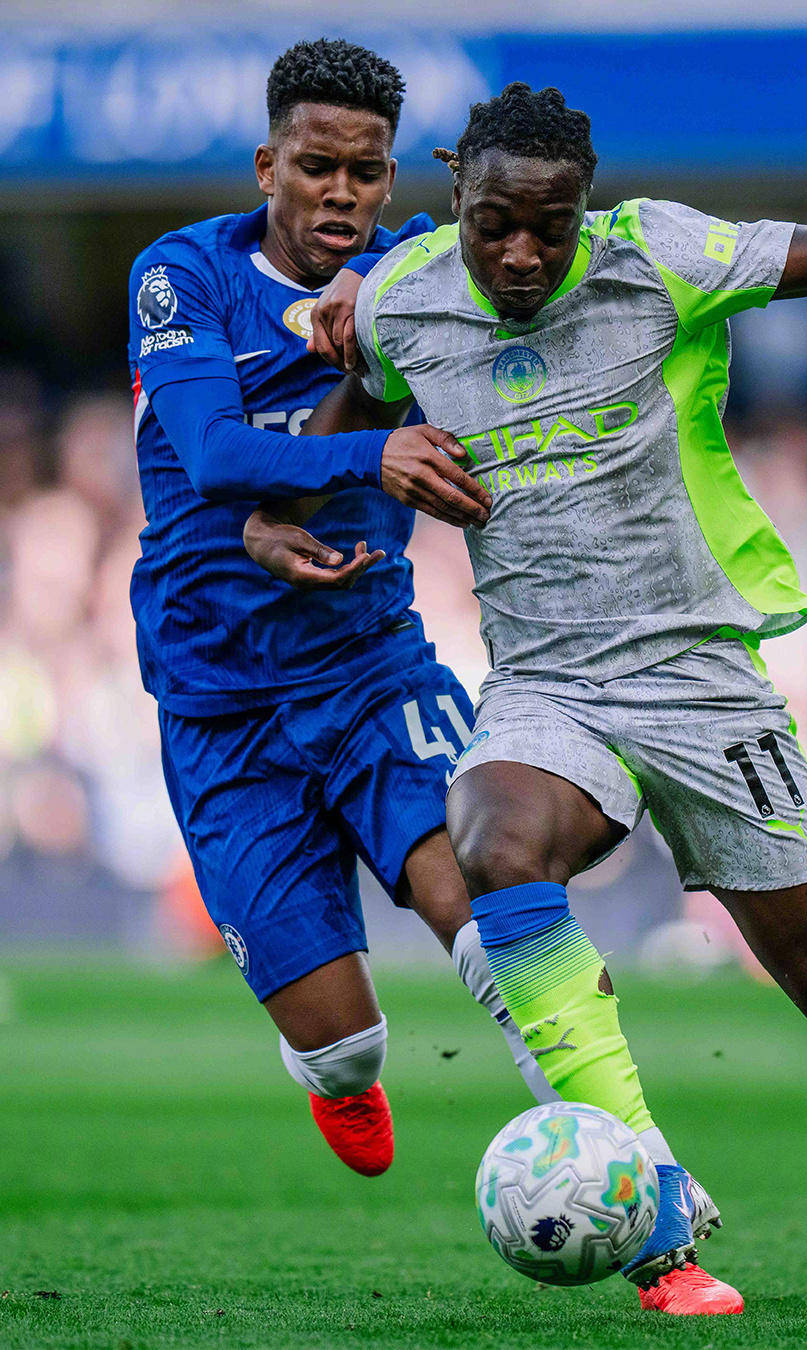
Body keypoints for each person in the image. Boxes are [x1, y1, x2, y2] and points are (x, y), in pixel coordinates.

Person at [246, 83, 807, 1311]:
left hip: (702, 680)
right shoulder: (402, 299)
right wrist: (286, 509)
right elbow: (363, 407)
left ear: (586, 210)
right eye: (495, 225)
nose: (522, 254)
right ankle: (652, 1196)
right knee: (491, 840)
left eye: (551, 228)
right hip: (545, 685)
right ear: (457, 194)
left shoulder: (658, 257)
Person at [127, 38, 558, 1186]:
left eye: (365, 173)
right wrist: (377, 453)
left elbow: (495, 248)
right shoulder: (182, 275)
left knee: (490, 913)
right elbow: (216, 455)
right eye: (316, 167)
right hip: (221, 700)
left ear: (388, 179)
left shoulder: (413, 268)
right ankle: (336, 1068)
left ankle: (640, 1186)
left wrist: (395, 269)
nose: (339, 194)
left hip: (371, 666)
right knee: (344, 1046)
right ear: (268, 165)